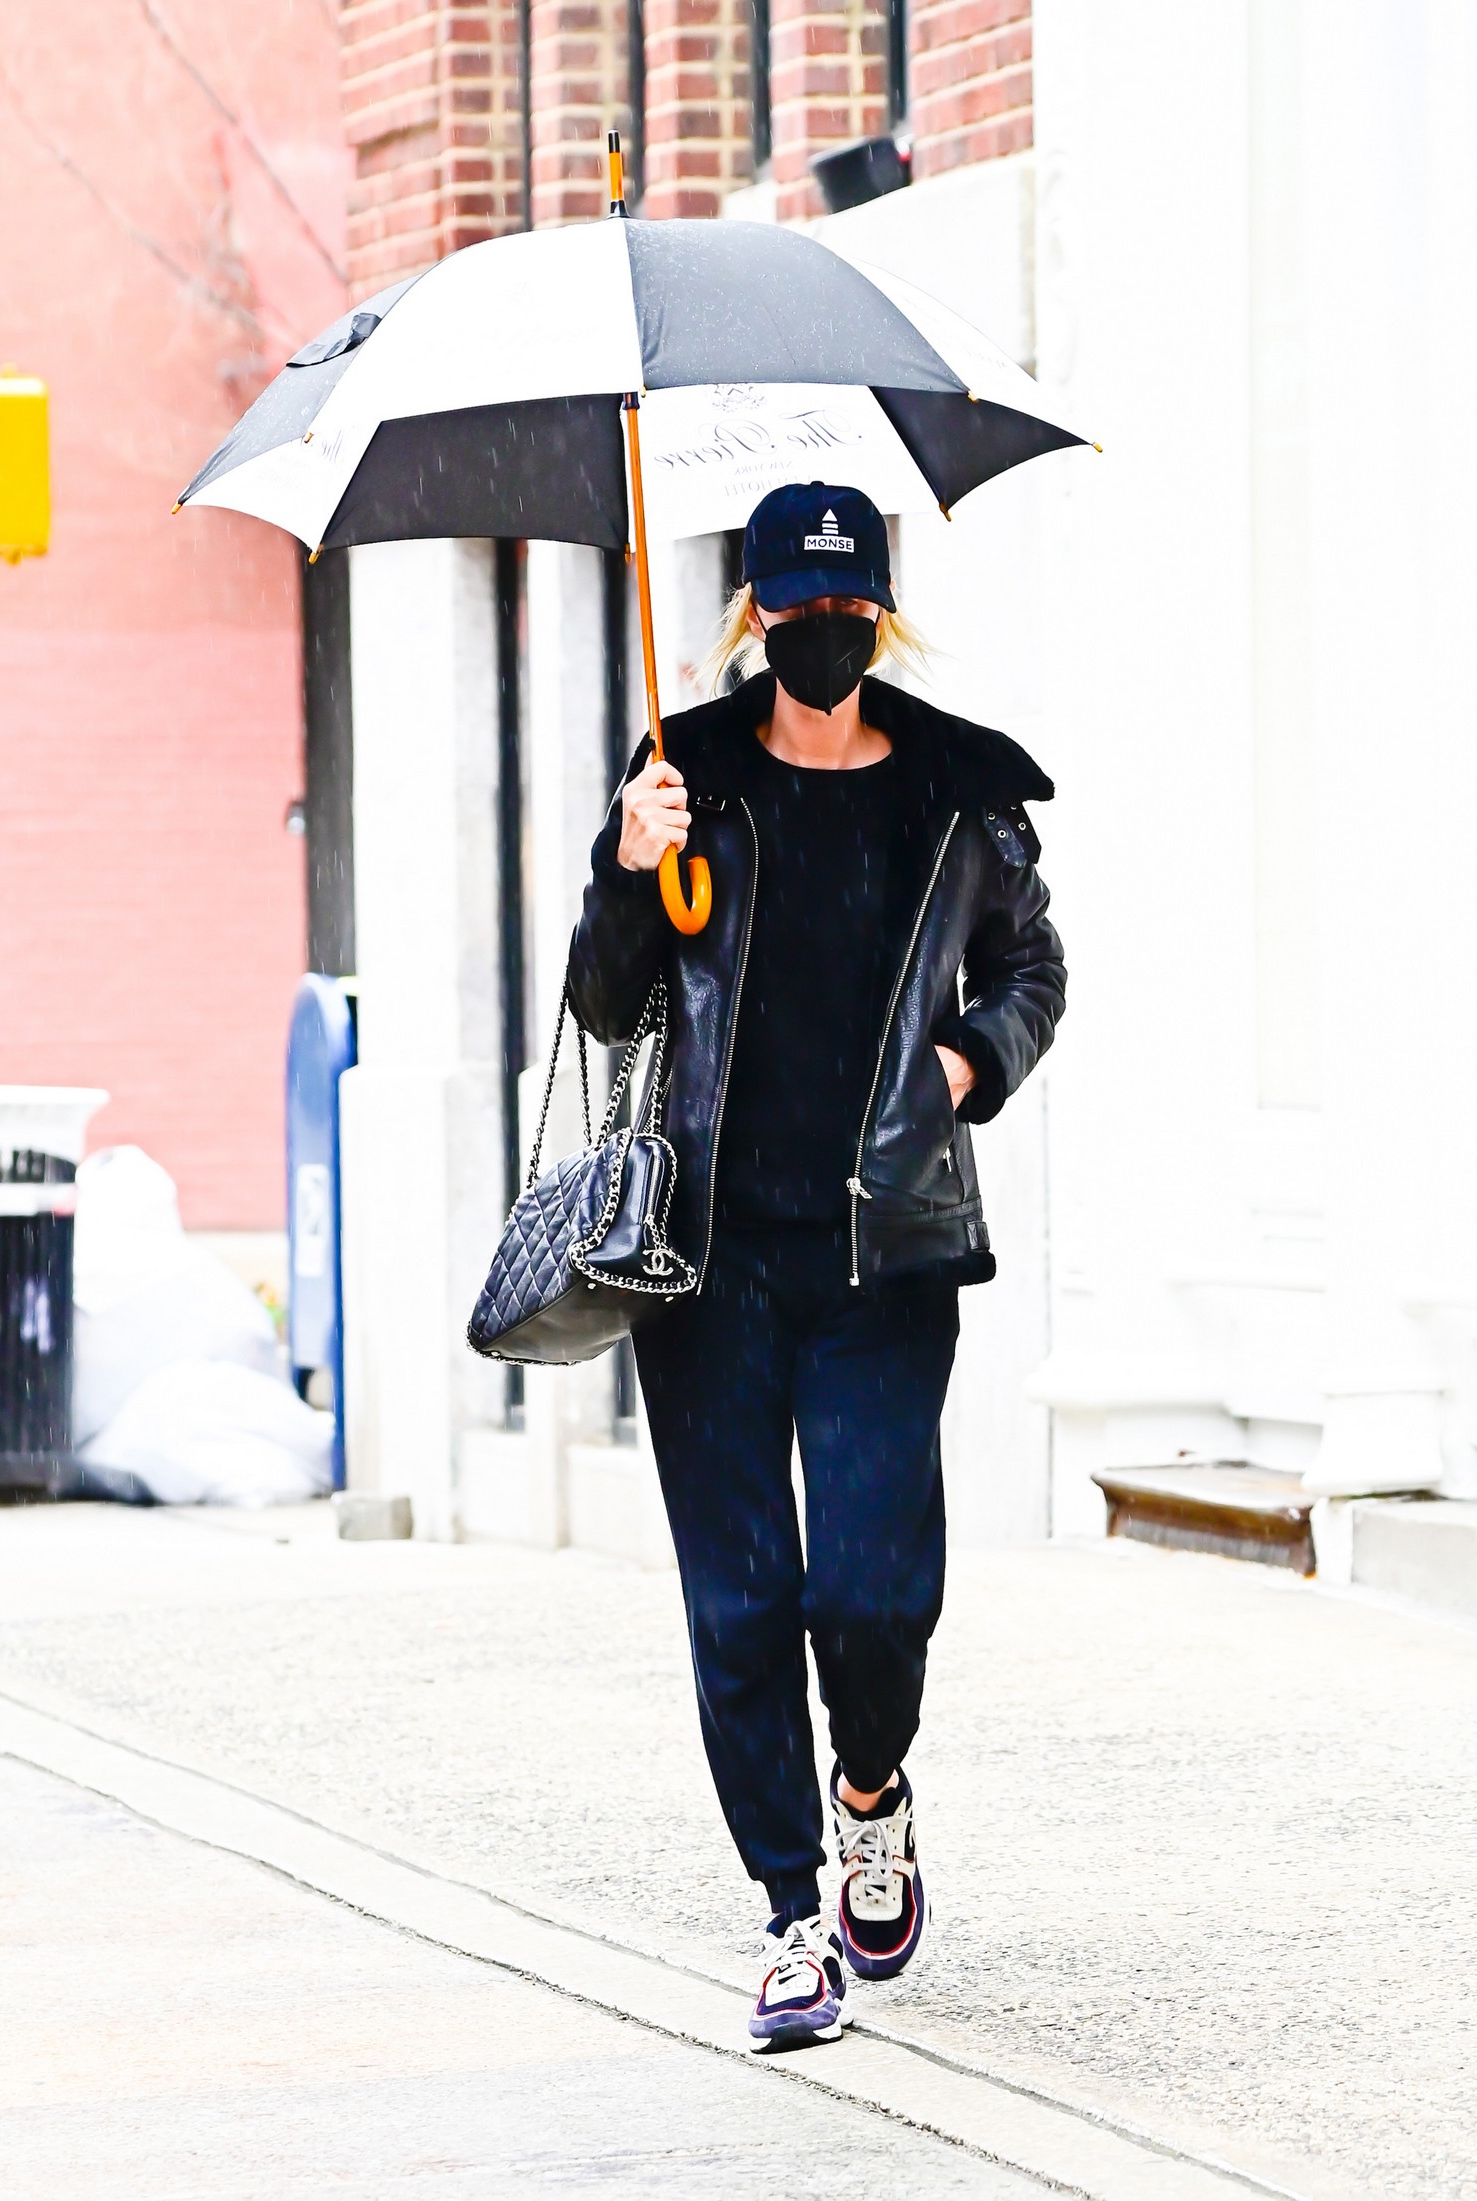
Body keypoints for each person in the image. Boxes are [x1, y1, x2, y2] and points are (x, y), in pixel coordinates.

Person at [567, 481, 1066, 2052]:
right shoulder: (684, 773)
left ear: (881, 612)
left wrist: (972, 1061)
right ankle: (792, 1918)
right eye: (795, 607)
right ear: (755, 613)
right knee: (740, 1602)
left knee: (866, 1589)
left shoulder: (960, 789)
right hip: (708, 1259)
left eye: (847, 606)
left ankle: (870, 1789)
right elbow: (604, 1004)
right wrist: (627, 865)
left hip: (886, 1249)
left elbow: (1033, 967)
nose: (822, 630)